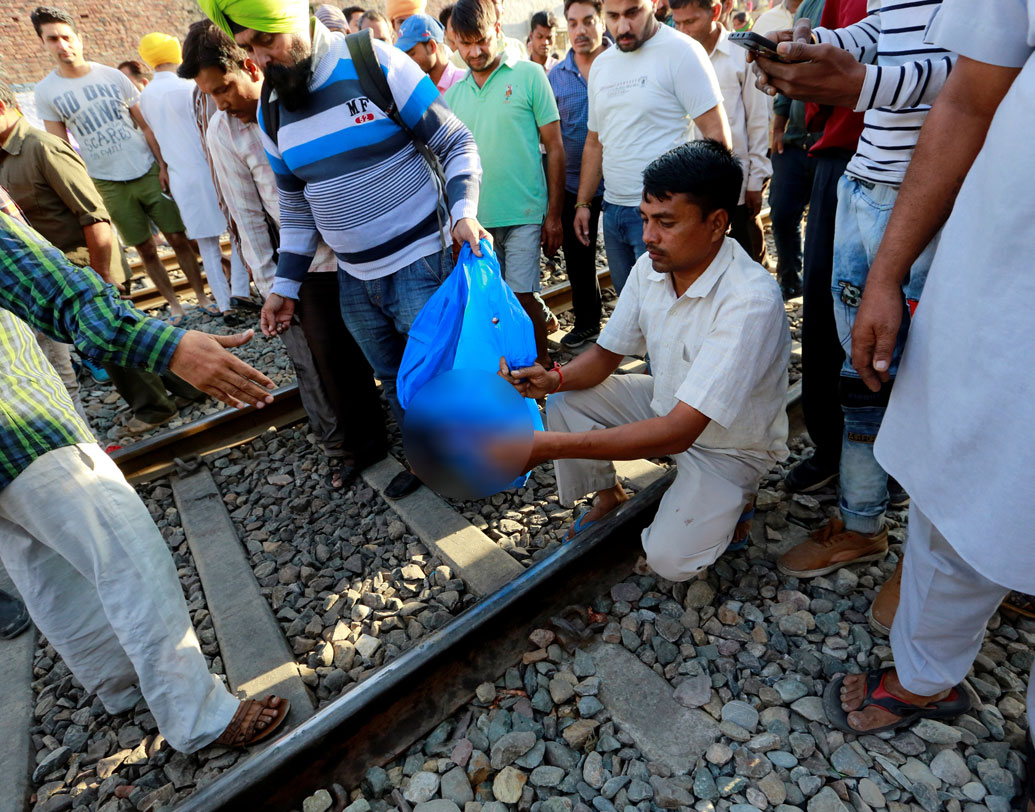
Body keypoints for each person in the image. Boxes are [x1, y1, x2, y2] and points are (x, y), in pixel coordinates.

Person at [0, 186, 289, 752]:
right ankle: (197, 715)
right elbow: (45, 283)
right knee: (126, 552)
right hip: (15, 417)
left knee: (36, 560)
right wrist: (168, 347)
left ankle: (120, 684)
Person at [826, 0, 1035, 757]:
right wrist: (887, 272)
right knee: (961, 464)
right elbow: (968, 92)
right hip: (1012, 279)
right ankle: (923, 674)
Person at [198, 0, 487, 499]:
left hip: (422, 260)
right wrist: (283, 287)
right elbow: (295, 207)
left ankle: (479, 458)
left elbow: (456, 142)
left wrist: (463, 212)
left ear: (293, 22)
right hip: (355, 280)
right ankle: (429, 461)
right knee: (396, 378)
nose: (260, 60)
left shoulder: (377, 64)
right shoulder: (271, 108)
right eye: (248, 48)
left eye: (266, 41)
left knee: (442, 373)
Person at [502, 140, 789, 580]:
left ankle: (740, 496)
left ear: (717, 223)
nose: (648, 236)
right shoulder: (651, 268)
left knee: (669, 562)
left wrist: (545, 448)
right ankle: (609, 496)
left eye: (665, 222)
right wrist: (551, 379)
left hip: (730, 445)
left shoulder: (750, 299)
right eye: (645, 219)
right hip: (668, 403)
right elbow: (601, 358)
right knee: (566, 398)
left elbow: (678, 432)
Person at [751, 3, 955, 609]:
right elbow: (885, 33)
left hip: (931, 189)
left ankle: (932, 562)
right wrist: (813, 46)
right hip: (864, 182)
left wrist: (860, 85)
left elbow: (984, 73)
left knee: (926, 383)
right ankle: (863, 524)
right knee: (860, 370)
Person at [179, 18, 389, 488]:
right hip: (311, 263)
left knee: (396, 345)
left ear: (251, 65)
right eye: (210, 94)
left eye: (224, 88)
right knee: (332, 362)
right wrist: (277, 287)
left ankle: (430, 434)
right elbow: (250, 219)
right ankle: (363, 446)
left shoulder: (301, 91)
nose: (221, 102)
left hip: (367, 243)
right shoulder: (224, 132)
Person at [0, 81, 211, 437]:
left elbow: (94, 216)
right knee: (128, 331)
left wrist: (101, 275)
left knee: (106, 339)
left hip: (85, 265)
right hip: (62, 271)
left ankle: (154, 407)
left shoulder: (42, 148)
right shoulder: (8, 155)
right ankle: (190, 388)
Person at [31, 6, 215, 326]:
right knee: (144, 249)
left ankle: (201, 297)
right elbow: (61, 149)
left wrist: (162, 165)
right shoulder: (46, 91)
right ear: (43, 43)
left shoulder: (112, 76)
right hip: (106, 181)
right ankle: (175, 307)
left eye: (66, 37)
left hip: (145, 169)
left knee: (178, 238)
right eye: (52, 39)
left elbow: (144, 125)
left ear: (79, 38)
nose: (62, 45)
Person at [573, 0, 730, 294]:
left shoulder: (682, 52)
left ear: (655, 4)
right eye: (613, 16)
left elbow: (716, 135)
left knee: (672, 314)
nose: (623, 26)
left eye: (633, 13)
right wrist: (583, 203)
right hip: (614, 212)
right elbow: (595, 142)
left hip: (665, 216)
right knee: (632, 314)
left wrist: (711, 211)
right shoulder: (602, 66)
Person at [446, 0, 564, 368]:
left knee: (521, 295)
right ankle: (506, 368)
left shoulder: (529, 75)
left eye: (481, 40)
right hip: (477, 221)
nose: (475, 51)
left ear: (496, 30)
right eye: (465, 43)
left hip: (526, 212)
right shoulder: (451, 97)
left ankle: (542, 365)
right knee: (488, 302)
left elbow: (556, 147)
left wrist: (554, 216)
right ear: (454, 42)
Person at [779, 0, 862, 492]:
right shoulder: (828, 2)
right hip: (840, 153)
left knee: (893, 312)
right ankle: (832, 448)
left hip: (912, 157)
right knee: (826, 314)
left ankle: (886, 462)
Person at [137, 32, 247, 324]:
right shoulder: (189, 86)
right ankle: (240, 290)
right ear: (177, 54)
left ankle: (223, 303)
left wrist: (162, 166)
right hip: (211, 167)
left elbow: (153, 137)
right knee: (236, 230)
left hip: (179, 175)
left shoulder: (144, 96)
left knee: (207, 243)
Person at [671, 0, 771, 263]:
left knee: (745, 258)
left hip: (735, 183)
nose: (683, 30)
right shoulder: (674, 55)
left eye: (690, 22)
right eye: (677, 23)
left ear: (715, 12)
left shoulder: (741, 55)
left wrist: (754, 182)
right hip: (690, 184)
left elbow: (758, 120)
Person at [548, 0, 609, 350]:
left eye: (587, 21)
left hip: (619, 181)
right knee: (579, 258)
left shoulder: (621, 65)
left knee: (630, 255)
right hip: (573, 183)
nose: (580, 30)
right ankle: (588, 323)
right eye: (572, 23)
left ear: (601, 23)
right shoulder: (555, 77)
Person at [767, 0, 823, 299]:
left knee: (820, 224)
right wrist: (778, 126)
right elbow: (789, 76)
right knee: (782, 214)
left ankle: (818, 286)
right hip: (793, 141)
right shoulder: (806, 9)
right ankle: (790, 278)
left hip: (827, 142)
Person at [396, 13, 466, 93]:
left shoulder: (467, 83)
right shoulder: (418, 90)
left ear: (432, 46)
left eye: (412, 54)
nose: (408, 61)